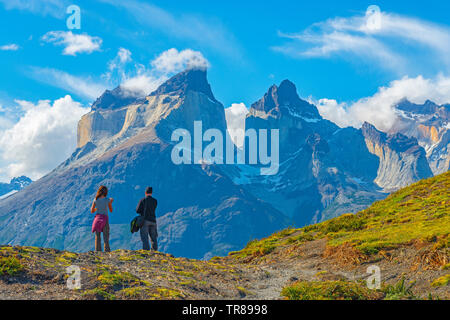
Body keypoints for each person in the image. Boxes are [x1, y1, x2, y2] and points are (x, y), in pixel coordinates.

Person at [91, 185, 113, 252]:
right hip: (105, 219)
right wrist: (110, 202)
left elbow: (92, 211)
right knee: (106, 236)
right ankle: (107, 251)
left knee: (97, 236)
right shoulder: (107, 200)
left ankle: (98, 251)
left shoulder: (95, 199)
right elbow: (111, 210)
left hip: (97, 219)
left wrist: (97, 208)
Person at [136, 187, 158, 251]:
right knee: (153, 237)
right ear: (151, 193)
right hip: (153, 221)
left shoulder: (143, 200)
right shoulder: (155, 201)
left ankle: (146, 251)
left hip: (145, 220)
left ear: (145, 192)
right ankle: (154, 251)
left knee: (145, 237)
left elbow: (137, 210)